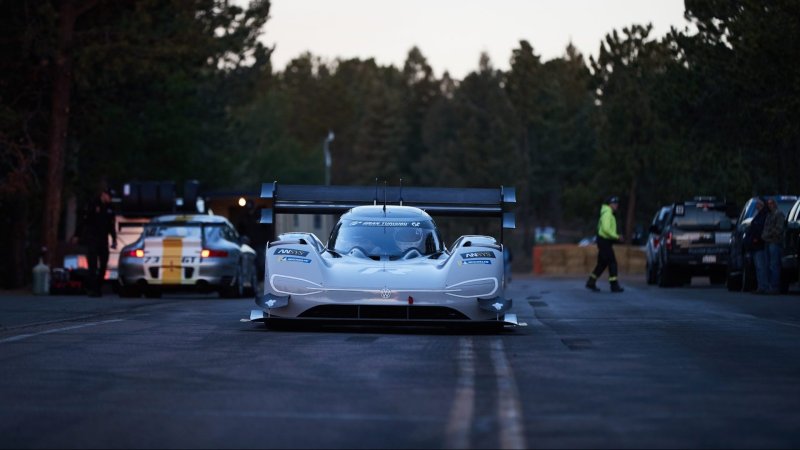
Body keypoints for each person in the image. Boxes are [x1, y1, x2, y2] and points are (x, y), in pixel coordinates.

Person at [74, 185, 117, 297]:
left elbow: (111, 226)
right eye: (109, 196)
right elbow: (84, 221)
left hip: (103, 239)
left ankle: (98, 286)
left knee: (103, 264)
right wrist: (77, 234)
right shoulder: (93, 204)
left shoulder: (110, 208)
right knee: (92, 265)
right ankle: (93, 289)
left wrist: (114, 239)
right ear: (103, 194)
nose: (110, 199)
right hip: (92, 238)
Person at [586, 196, 624, 293]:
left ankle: (591, 281)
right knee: (612, 262)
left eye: (617, 203)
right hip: (604, 241)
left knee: (602, 263)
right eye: (614, 203)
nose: (616, 205)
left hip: (604, 241)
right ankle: (614, 285)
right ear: (609, 204)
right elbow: (606, 229)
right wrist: (616, 236)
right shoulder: (607, 213)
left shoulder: (607, 213)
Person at [762, 197, 786, 294]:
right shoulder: (769, 215)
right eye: (768, 203)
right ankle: (769, 286)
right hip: (767, 242)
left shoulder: (779, 214)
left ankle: (774, 287)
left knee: (774, 265)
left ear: (775, 204)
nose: (770, 205)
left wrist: (768, 234)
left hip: (774, 243)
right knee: (767, 265)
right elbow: (765, 228)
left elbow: (779, 229)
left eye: (771, 203)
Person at [747, 198, 768, 294]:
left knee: (761, 266)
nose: (757, 205)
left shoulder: (764, 216)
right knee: (758, 267)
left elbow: (761, 229)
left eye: (759, 204)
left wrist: (757, 238)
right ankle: (760, 286)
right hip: (754, 245)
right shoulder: (758, 215)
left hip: (760, 245)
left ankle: (763, 286)